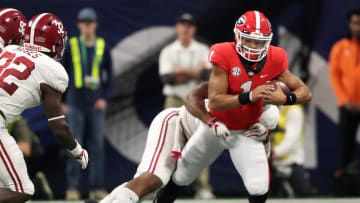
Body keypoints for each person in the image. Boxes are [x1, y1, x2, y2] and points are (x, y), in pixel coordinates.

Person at [154, 10, 312, 203]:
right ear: (238, 37)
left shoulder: (275, 58)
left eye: (259, 41)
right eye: (248, 40)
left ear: (268, 41)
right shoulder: (223, 53)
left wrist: (285, 99)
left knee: (258, 185)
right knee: (182, 175)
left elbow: (305, 92)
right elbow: (216, 101)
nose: (254, 46)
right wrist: (250, 96)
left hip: (246, 130)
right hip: (216, 126)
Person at [90, 82, 278, 203]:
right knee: (155, 179)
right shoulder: (231, 93)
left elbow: (260, 161)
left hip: (190, 141)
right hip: (175, 125)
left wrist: (265, 137)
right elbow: (191, 98)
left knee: (147, 192)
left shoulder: (255, 126)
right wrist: (210, 120)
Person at [0, 11, 88, 203]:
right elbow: (59, 127)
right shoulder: (53, 70)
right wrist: (77, 150)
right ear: (56, 42)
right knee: (21, 190)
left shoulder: (7, 51)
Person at [159, 12, 214, 199]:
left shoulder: (202, 49)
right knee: (168, 143)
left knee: (202, 142)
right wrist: (195, 71)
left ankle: (203, 187)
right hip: (174, 100)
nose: (185, 29)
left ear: (193, 30)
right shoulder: (169, 51)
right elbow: (168, 78)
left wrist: (181, 71)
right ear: (177, 28)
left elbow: (208, 75)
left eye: (189, 26)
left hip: (197, 101)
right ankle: (163, 183)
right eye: (182, 25)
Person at [62, 7, 114, 200]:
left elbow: (111, 77)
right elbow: (61, 75)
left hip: (95, 105)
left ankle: (97, 187)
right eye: (84, 22)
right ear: (78, 25)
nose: (87, 26)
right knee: (74, 145)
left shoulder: (102, 46)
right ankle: (73, 188)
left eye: (90, 22)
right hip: (75, 103)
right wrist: (63, 101)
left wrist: (105, 98)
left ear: (96, 25)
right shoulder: (72, 45)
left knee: (97, 146)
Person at [329, 8, 360, 192]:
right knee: (345, 147)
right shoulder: (340, 47)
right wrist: (344, 100)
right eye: (355, 23)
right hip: (347, 106)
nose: (358, 27)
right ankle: (344, 186)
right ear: (350, 24)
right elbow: (335, 76)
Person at [269, 105, 312, 197]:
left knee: (303, 194)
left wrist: (275, 152)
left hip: (291, 162)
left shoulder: (293, 109)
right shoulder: (266, 109)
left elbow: (292, 137)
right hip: (271, 164)